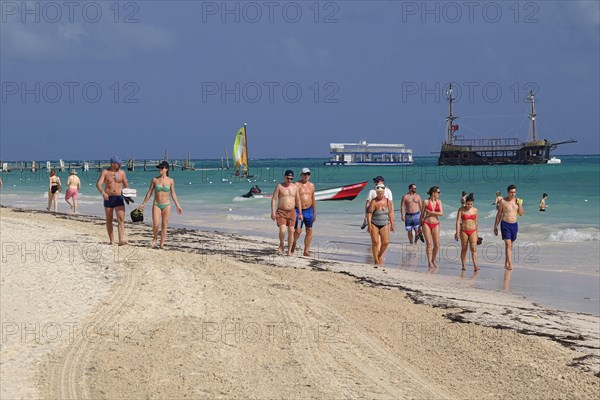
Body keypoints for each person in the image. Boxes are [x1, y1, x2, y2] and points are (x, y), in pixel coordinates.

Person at [139, 161, 183, 249]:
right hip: (156, 204)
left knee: (164, 225)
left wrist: (178, 205)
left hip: (167, 205)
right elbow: (149, 192)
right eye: (159, 168)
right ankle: (155, 237)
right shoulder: (154, 180)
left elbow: (173, 194)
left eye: (162, 168)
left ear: (166, 169)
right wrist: (143, 203)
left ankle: (162, 243)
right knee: (156, 224)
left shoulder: (171, 181)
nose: (160, 169)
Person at [96, 156, 129, 245]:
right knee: (109, 219)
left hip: (119, 198)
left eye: (120, 164)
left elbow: (126, 184)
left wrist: (127, 194)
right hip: (108, 198)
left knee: (121, 218)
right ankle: (111, 240)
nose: (120, 165)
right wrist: (103, 193)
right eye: (118, 164)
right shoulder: (105, 172)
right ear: (113, 164)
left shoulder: (122, 172)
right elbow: (98, 184)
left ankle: (121, 240)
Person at [271, 170, 302, 255]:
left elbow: (298, 200)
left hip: (292, 211)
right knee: (283, 230)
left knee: (291, 230)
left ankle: (289, 250)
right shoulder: (279, 186)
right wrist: (273, 212)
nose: (289, 180)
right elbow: (274, 199)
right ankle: (281, 244)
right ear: (284, 177)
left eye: (291, 179)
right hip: (281, 211)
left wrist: (300, 213)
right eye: (288, 178)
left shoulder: (295, 187)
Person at [494, 184, 525, 270]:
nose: (513, 194)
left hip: (514, 225)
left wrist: (520, 204)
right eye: (511, 192)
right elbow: (499, 214)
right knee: (508, 244)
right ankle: (510, 264)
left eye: (514, 192)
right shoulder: (503, 201)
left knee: (510, 246)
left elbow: (521, 214)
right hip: (505, 224)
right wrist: (495, 226)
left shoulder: (518, 201)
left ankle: (506, 263)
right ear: (508, 192)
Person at [367, 184, 394, 266]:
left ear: (384, 192)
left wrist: (392, 224)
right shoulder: (374, 201)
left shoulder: (387, 201)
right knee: (375, 242)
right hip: (374, 223)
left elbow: (390, 213)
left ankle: (379, 255)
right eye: (379, 193)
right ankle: (376, 260)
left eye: (382, 193)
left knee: (386, 242)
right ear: (376, 193)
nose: (381, 195)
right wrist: (369, 225)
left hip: (384, 223)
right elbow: (369, 214)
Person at [292, 168, 316, 256]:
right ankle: (293, 242)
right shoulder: (296, 185)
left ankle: (306, 251)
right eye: (305, 174)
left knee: (309, 230)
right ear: (301, 174)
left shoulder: (312, 185)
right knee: (298, 230)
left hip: (309, 210)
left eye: (308, 174)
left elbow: (313, 199)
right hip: (298, 210)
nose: (306, 176)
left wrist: (314, 212)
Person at [419, 186, 443, 268]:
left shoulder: (439, 202)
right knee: (429, 243)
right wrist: (419, 227)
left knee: (436, 244)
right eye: (438, 192)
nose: (439, 194)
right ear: (433, 193)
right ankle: (429, 262)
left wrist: (431, 212)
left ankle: (433, 259)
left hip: (436, 224)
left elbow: (441, 213)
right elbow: (422, 215)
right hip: (426, 223)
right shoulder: (425, 202)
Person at [455, 193, 480, 271]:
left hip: (473, 231)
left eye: (471, 204)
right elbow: (458, 221)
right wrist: (457, 232)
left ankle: (475, 266)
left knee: (473, 248)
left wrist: (477, 234)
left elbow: (476, 222)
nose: (469, 206)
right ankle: (463, 265)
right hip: (464, 231)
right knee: (464, 248)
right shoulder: (461, 210)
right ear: (465, 203)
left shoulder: (475, 210)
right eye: (468, 204)